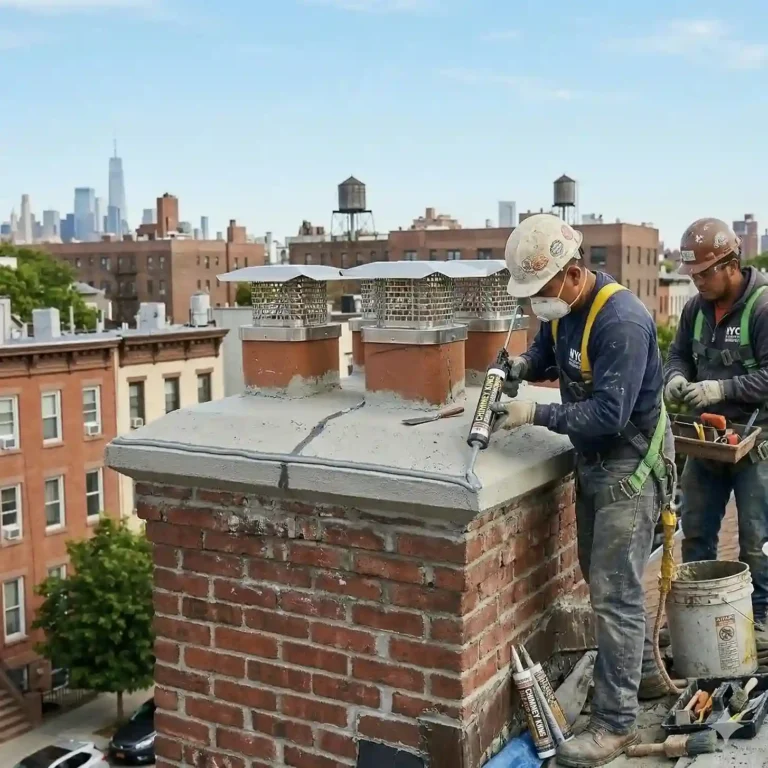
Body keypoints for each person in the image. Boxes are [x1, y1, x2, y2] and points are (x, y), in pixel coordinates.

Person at [491, 213, 675, 767]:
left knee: (614, 594)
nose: (540, 303)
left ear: (572, 274)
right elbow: (549, 353)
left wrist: (534, 411)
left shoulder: (621, 321)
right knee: (608, 581)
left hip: (628, 464)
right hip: (596, 462)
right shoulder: (566, 310)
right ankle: (640, 676)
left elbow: (608, 414)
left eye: (543, 291)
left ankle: (615, 725)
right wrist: (521, 366)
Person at [664, 218, 768, 644]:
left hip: (755, 440)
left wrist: (720, 388)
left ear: (731, 263)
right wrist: (674, 376)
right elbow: (678, 354)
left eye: (705, 273)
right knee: (697, 531)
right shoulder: (695, 309)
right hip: (707, 441)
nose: (698, 282)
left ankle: (760, 617)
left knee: (757, 536)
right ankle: (695, 614)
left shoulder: (762, 308)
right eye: (693, 275)